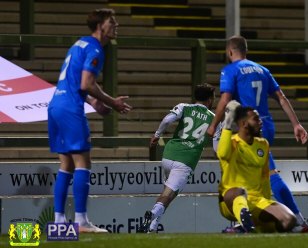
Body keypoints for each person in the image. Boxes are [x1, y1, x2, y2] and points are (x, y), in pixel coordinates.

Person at [207, 35, 308, 232]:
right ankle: (244, 220)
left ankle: (298, 219)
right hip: (265, 124)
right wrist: (296, 124)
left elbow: (225, 99)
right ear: (246, 51)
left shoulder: (231, 70)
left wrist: (213, 125)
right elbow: (281, 97)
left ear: (230, 52)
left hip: (249, 127)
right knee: (246, 172)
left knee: (268, 174)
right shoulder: (262, 69)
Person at [47, 8, 132, 233]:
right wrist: (112, 102)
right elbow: (86, 83)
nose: (116, 24)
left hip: (56, 104)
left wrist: (94, 104)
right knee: (84, 162)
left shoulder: (79, 43)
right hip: (70, 109)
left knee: (66, 164)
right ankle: (82, 221)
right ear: (99, 26)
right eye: (111, 21)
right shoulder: (95, 48)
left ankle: (59, 221)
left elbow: (76, 81)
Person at [137, 83, 216, 233]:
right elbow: (218, 147)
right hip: (186, 159)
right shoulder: (213, 118)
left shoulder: (184, 106)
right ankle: (151, 214)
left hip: (169, 154)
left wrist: (157, 135)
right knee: (168, 195)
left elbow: (167, 120)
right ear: (210, 100)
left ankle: (151, 229)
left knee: (167, 193)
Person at [218, 101, 296, 233]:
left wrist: (268, 202)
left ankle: (243, 228)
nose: (260, 122)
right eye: (256, 119)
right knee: (239, 191)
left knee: (289, 220)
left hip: (258, 201)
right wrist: (227, 122)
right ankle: (246, 226)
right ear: (243, 124)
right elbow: (223, 154)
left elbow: (264, 176)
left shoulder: (263, 144)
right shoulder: (232, 142)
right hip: (230, 201)